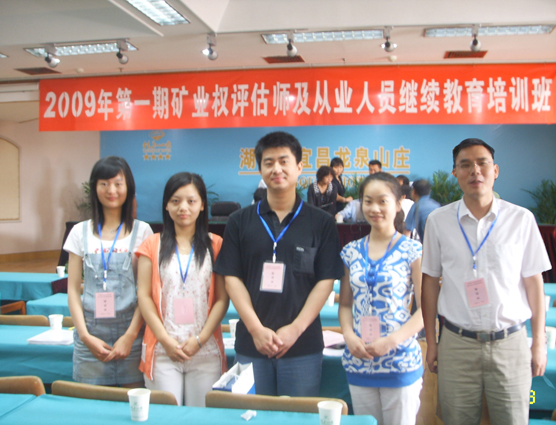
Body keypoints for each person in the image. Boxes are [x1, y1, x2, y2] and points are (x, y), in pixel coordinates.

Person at [421, 138, 551, 425]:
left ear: (495, 170)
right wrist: (432, 342)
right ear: (455, 173)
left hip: (510, 343)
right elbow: (429, 282)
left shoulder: (521, 219)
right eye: (465, 165)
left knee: (512, 419)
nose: (475, 171)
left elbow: (534, 283)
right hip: (456, 344)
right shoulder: (438, 221)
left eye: (482, 163)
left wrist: (538, 343)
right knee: (456, 419)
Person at [214, 131, 343, 397]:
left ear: (299, 167)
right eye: (269, 162)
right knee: (251, 414)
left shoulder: (321, 222)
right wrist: (256, 329)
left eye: (284, 161)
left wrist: (295, 329)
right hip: (252, 344)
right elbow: (232, 278)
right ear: (260, 169)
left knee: (297, 416)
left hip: (302, 345)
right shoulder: (239, 221)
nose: (277, 169)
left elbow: (326, 280)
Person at [136, 172, 228, 406]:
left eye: (191, 201)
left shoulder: (216, 244)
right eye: (175, 201)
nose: (183, 207)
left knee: (201, 417)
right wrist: (166, 341)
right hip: (163, 350)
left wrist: (200, 339)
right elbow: (144, 297)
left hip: (205, 350)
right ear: (166, 205)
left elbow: (222, 299)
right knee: (166, 417)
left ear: (202, 205)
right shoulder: (151, 244)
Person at [339, 173, 424, 425]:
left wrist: (391, 341)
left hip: (399, 361)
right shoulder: (351, 251)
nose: (374, 208)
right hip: (359, 360)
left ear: (397, 204)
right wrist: (348, 335)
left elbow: (427, 309)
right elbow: (345, 304)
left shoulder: (413, 250)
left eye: (382, 201)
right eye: (368, 201)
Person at [64, 156, 153, 387]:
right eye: (104, 183)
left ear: (128, 187)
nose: (111, 190)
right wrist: (85, 336)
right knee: (91, 403)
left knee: (133, 400)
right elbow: (72, 291)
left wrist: (130, 336)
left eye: (117, 183)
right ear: (95, 188)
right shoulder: (79, 232)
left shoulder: (143, 231)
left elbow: (147, 292)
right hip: (90, 334)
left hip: (132, 335)